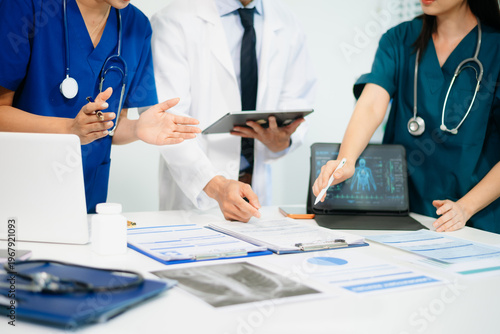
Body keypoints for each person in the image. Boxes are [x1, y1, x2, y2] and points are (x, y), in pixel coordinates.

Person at [313, 0, 500, 233]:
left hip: (476, 221)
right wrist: (346, 161)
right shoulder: (399, 39)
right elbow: (371, 104)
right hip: (405, 213)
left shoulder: (496, 49)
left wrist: (465, 208)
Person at [0, 0, 201, 213]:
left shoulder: (136, 26)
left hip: (86, 201)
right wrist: (69, 129)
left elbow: (110, 128)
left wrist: (136, 129)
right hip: (19, 192)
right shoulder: (27, 6)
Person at [150, 0, 317, 221]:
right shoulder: (173, 20)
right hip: (196, 197)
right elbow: (166, 122)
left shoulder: (287, 22)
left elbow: (296, 99)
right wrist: (217, 187)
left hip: (257, 193)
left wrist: (282, 142)